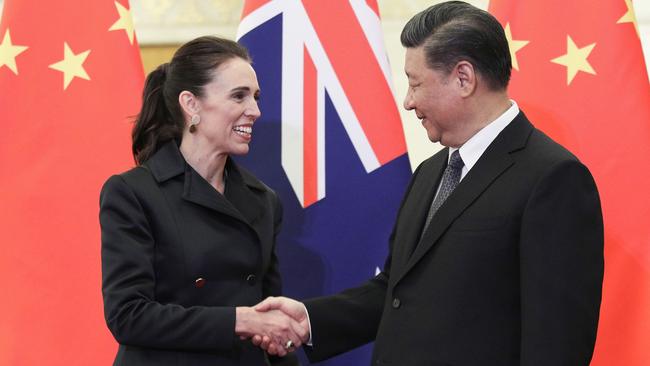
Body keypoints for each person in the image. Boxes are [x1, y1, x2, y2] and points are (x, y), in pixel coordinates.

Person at [252, 2, 604, 365]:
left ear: (464, 78)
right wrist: (308, 321)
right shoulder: (431, 171)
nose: (408, 101)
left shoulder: (552, 178)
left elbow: (556, 342)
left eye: (415, 83)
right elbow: (397, 290)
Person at [99, 36, 306, 366]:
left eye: (255, 97)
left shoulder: (264, 200)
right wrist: (241, 321)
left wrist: (275, 339)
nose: (254, 111)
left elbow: (266, 312)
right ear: (191, 104)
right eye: (238, 96)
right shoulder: (133, 193)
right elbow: (128, 315)